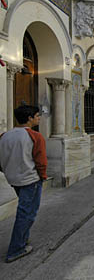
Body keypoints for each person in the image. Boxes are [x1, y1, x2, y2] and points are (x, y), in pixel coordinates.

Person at [0, 105, 47, 263]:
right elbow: (41, 161)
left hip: (14, 180)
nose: (38, 118)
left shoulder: (4, 136)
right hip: (30, 180)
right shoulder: (34, 136)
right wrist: (42, 176)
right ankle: (16, 248)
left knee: (24, 211)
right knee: (26, 213)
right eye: (36, 116)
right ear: (29, 118)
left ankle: (23, 239)